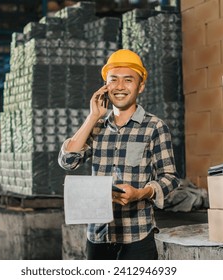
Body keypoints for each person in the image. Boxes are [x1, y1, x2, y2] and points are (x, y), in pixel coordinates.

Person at [58, 49, 179, 260]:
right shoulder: (95, 128)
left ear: (140, 86)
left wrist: (141, 193)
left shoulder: (155, 127)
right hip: (98, 235)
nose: (120, 87)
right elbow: (68, 161)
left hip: (137, 236)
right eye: (113, 80)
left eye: (128, 80)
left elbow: (170, 178)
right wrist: (93, 116)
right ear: (105, 86)